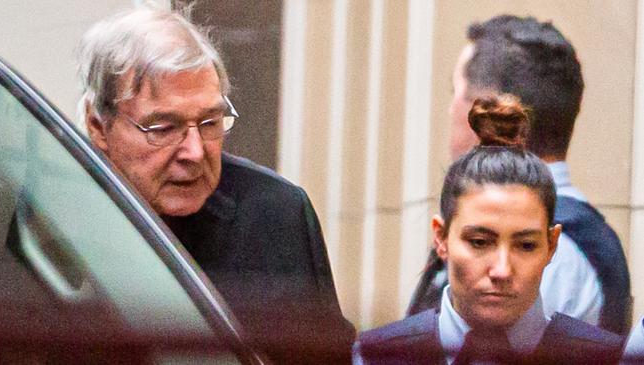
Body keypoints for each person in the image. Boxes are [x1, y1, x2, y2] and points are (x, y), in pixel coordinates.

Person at [76, 5, 355, 364]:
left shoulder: (277, 214)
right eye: (163, 128)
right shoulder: (50, 217)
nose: (194, 152)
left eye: (210, 122)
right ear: (98, 126)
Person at [353, 94, 624, 365]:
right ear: (441, 238)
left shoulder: (603, 359)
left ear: (551, 245)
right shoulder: (376, 356)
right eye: (480, 242)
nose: (502, 270)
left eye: (526, 245)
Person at [408, 14, 631, 335]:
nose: (502, 268)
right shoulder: (577, 237)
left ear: (491, 111)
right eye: (480, 242)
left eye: (456, 92)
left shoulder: (561, 254)